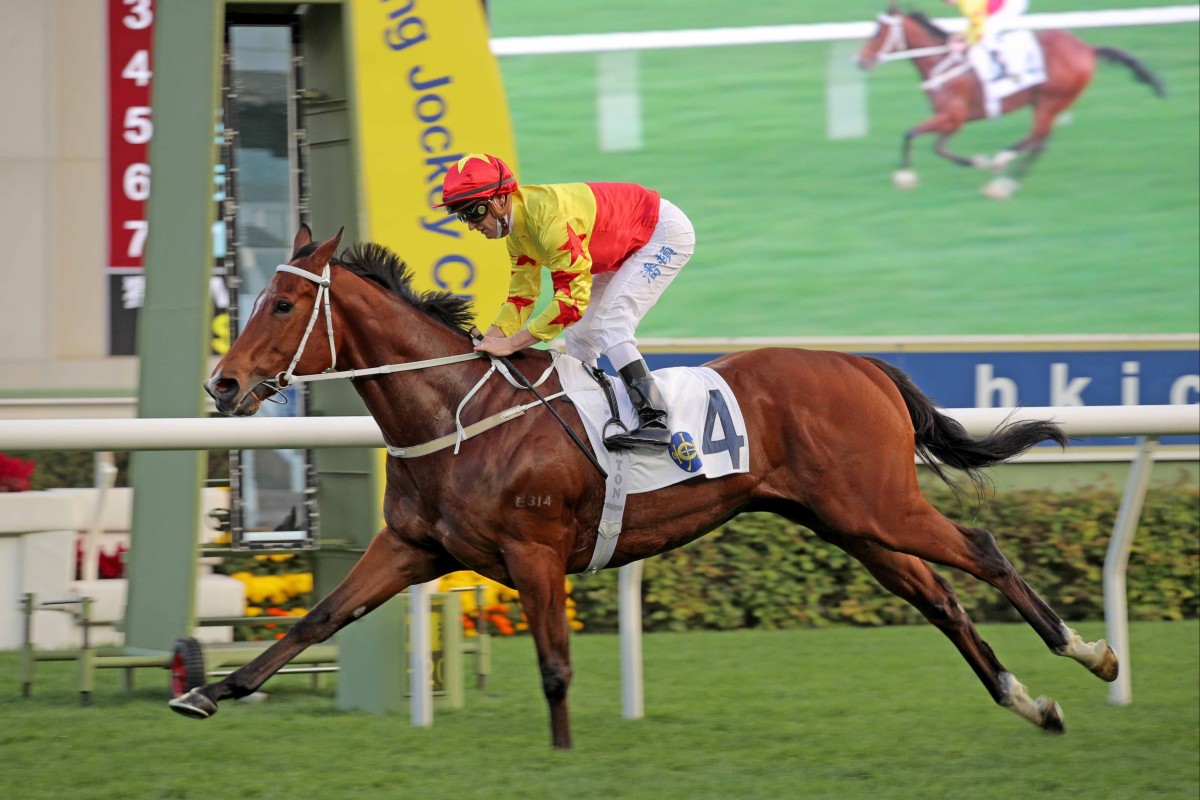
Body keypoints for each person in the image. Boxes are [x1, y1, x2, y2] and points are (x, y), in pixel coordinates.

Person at [436, 153, 696, 451]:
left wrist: (512, 344)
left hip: (661, 234)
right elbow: (521, 298)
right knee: (579, 335)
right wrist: (490, 340)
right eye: (463, 216)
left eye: (473, 212)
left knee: (611, 323)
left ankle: (656, 420)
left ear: (500, 200)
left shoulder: (551, 221)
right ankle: (593, 417)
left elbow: (571, 303)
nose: (471, 226)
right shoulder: (517, 234)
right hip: (624, 241)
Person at [945, 0, 1029, 78]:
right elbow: (975, 22)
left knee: (986, 36)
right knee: (985, 34)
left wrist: (967, 41)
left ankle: (1011, 68)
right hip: (1005, 5)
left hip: (1011, 5)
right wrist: (964, 35)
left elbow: (979, 24)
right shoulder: (963, 3)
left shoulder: (967, 4)